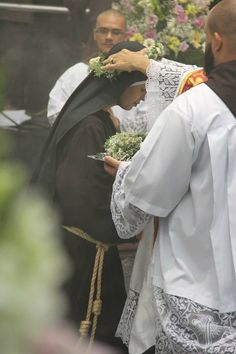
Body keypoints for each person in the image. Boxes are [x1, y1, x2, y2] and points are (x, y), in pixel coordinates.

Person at [103, 0, 236, 353]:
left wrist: (126, 172)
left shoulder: (196, 108)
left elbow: (146, 192)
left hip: (199, 286)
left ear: (216, 41)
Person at [31, 41, 147, 353]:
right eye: (140, 89)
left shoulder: (103, 118)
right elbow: (77, 194)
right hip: (85, 249)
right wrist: (123, 223)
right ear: (122, 84)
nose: (144, 97)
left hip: (89, 245)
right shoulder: (89, 125)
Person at [47, 8, 128, 124]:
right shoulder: (75, 72)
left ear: (125, 36)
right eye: (103, 31)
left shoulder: (133, 75)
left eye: (115, 32)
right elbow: (54, 112)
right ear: (95, 34)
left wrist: (116, 125)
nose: (109, 37)